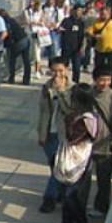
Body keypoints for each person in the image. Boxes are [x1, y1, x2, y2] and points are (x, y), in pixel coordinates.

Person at [56, 84, 107, 223]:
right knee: (67, 193)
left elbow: (72, 137)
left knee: (71, 194)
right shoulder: (87, 116)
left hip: (79, 160)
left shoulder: (86, 120)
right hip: (74, 157)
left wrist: (68, 119)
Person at [36, 57, 73, 213]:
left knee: (59, 167)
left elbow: (70, 110)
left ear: (66, 70)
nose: (57, 74)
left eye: (60, 70)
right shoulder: (46, 87)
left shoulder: (73, 89)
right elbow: (43, 111)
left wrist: (61, 92)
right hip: (49, 133)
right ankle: (61, 193)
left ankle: (49, 198)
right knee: (55, 167)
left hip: (64, 134)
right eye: (54, 71)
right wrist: (41, 133)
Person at [89, 67, 112, 216]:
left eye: (108, 80)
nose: (105, 83)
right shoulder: (89, 94)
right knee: (83, 178)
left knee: (104, 179)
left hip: (105, 145)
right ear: (95, 79)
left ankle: (102, 207)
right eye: (102, 80)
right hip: (89, 143)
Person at [0, 8, 31, 85]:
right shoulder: (12, 20)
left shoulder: (5, 23)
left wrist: (4, 44)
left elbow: (7, 34)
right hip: (25, 39)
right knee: (26, 61)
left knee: (11, 60)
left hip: (16, 42)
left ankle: (11, 78)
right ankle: (26, 80)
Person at [58, 4, 88, 83]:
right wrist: (60, 30)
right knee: (64, 66)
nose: (79, 12)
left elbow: (84, 36)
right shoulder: (66, 20)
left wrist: (82, 47)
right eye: (78, 10)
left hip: (77, 48)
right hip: (66, 47)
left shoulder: (82, 22)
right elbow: (60, 29)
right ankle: (63, 81)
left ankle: (76, 83)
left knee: (77, 68)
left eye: (81, 11)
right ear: (73, 11)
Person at [87, 5, 112, 73]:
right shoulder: (96, 22)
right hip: (99, 49)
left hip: (111, 49)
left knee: (111, 67)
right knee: (98, 67)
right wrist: (94, 35)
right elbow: (89, 31)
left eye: (105, 14)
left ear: (109, 14)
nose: (103, 15)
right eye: (101, 14)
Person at [23, 0, 45, 79]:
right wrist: (36, 22)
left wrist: (36, 22)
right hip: (28, 32)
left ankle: (37, 70)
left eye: (32, 1)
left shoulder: (40, 11)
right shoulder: (26, 11)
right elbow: (28, 21)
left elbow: (42, 21)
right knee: (29, 53)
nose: (30, 2)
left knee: (37, 53)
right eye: (30, 0)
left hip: (37, 33)